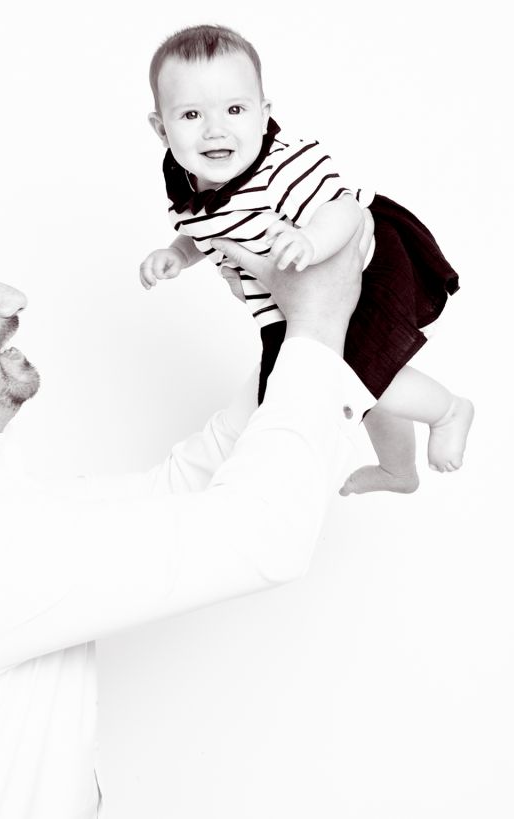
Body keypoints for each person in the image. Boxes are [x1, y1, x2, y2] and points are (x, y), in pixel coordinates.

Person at [0, 203, 376, 819]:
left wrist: (300, 328)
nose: (12, 297)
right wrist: (316, 323)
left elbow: (183, 489)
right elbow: (263, 536)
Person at [139, 24, 474, 495]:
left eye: (235, 109)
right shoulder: (191, 187)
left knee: (354, 376)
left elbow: (345, 210)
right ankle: (400, 471)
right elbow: (204, 230)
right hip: (293, 305)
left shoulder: (283, 167)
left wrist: (312, 241)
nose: (215, 129)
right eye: (191, 114)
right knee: (352, 387)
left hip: (360, 268)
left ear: (263, 114)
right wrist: (176, 253)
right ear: (161, 128)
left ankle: (449, 410)